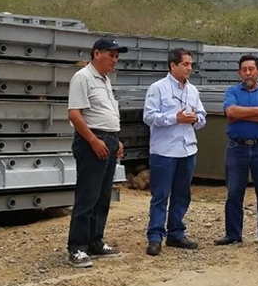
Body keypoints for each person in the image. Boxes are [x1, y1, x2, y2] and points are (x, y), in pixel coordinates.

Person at [66, 37, 128, 268]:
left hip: (108, 141)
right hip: (92, 141)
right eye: (111, 54)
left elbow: (106, 111)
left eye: (117, 56)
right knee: (87, 196)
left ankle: (95, 240)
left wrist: (116, 139)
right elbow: (74, 114)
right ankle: (77, 247)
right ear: (96, 54)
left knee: (102, 196)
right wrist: (93, 140)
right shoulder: (83, 77)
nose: (115, 59)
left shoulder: (104, 80)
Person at [143, 48, 206, 256]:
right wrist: (174, 118)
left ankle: (176, 233)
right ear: (173, 65)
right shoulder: (157, 88)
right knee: (160, 195)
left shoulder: (193, 91)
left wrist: (195, 119)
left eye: (191, 65)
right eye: (185, 64)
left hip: (187, 149)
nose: (189, 68)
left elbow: (202, 116)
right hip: (164, 151)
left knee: (182, 194)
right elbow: (149, 116)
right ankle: (155, 236)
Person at [214, 54, 258, 247]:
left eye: (251, 69)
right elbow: (230, 114)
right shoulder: (232, 91)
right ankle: (233, 233)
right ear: (239, 72)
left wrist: (242, 114)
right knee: (234, 192)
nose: (248, 73)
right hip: (237, 148)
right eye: (244, 69)